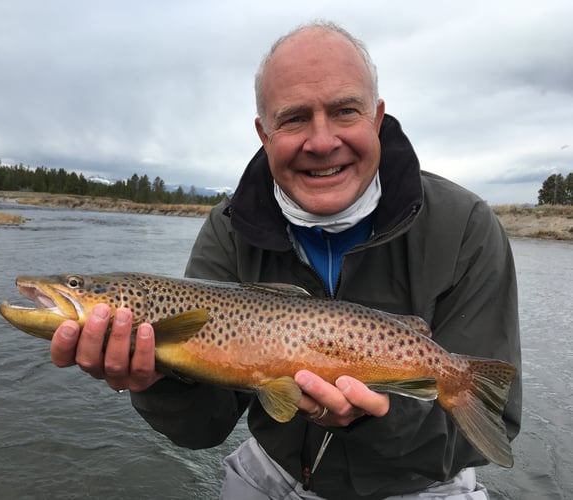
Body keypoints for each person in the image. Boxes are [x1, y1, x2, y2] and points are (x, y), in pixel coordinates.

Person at [50, 21, 521, 499]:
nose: (321, 141)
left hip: (421, 485)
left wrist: (374, 417)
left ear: (377, 118)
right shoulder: (230, 228)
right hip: (274, 471)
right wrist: (155, 381)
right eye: (295, 118)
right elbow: (202, 429)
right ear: (264, 132)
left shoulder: (466, 227)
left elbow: (481, 437)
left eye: (344, 111)